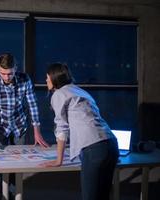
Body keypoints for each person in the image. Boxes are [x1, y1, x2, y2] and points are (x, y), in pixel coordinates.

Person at [41, 63, 119, 200]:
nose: (46, 80)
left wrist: (58, 160)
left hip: (93, 147)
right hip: (111, 144)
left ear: (54, 79)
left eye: (47, 78)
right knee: (103, 196)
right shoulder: (79, 91)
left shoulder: (59, 94)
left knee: (90, 196)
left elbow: (62, 128)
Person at [0, 53, 49, 198]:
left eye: (10, 73)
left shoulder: (25, 80)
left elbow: (32, 106)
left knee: (16, 165)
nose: (7, 77)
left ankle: (13, 195)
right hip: (0, 128)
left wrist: (37, 131)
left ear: (15, 68)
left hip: (19, 127)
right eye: (3, 74)